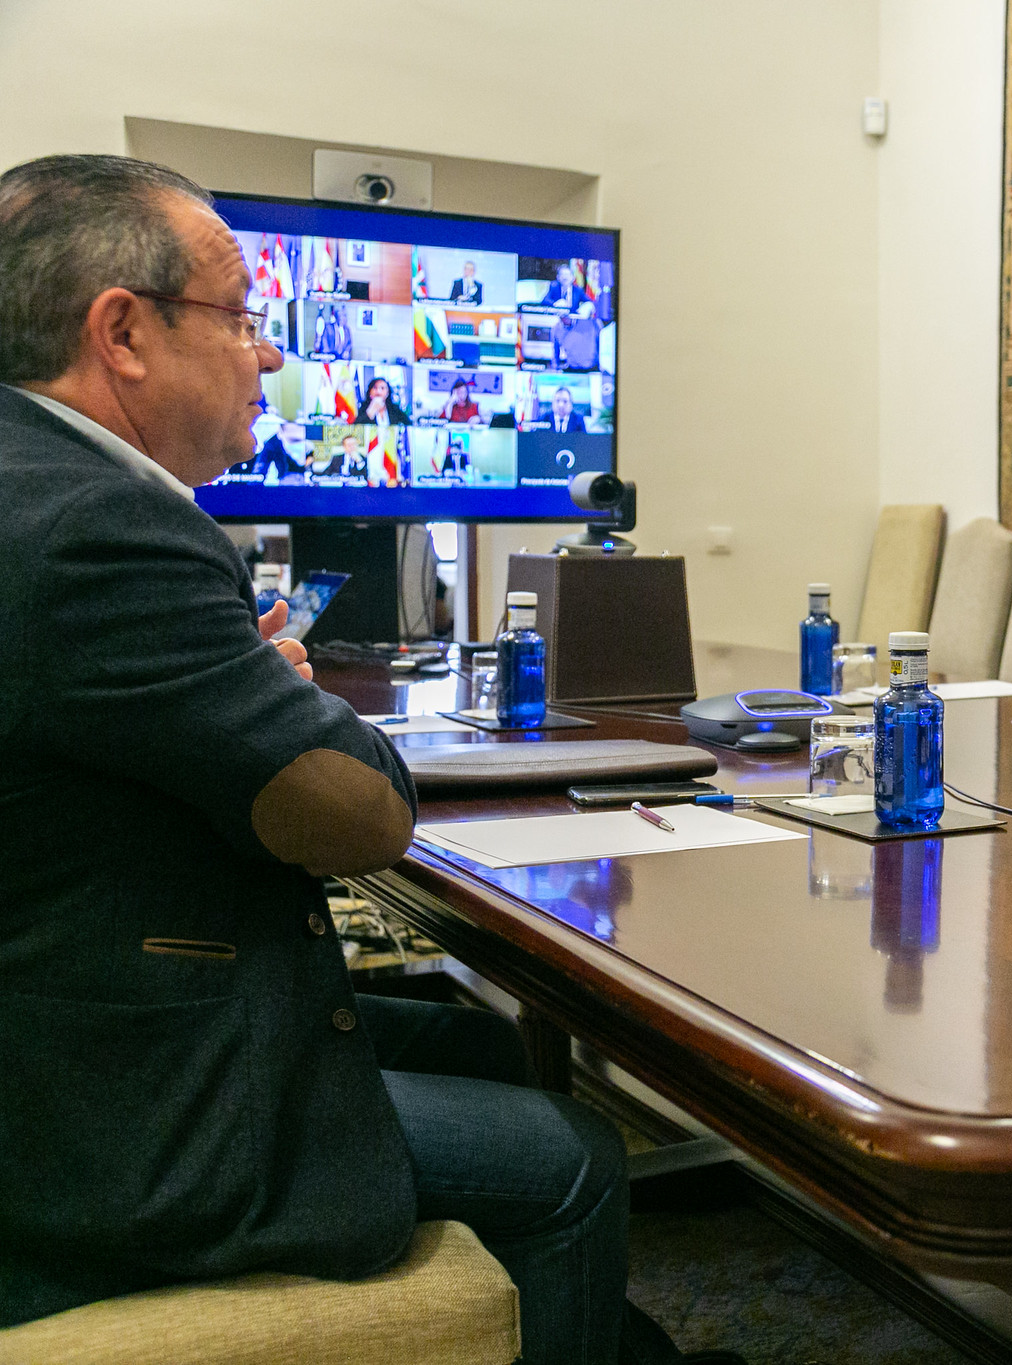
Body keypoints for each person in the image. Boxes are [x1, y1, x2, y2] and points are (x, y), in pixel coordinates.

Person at [0, 154, 718, 1365]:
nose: (270, 356)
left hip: (83, 997)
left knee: (489, 1044)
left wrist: (259, 693)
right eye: (241, 319)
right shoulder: (98, 529)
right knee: (580, 1161)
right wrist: (300, 704)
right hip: (100, 1108)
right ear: (121, 333)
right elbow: (362, 820)